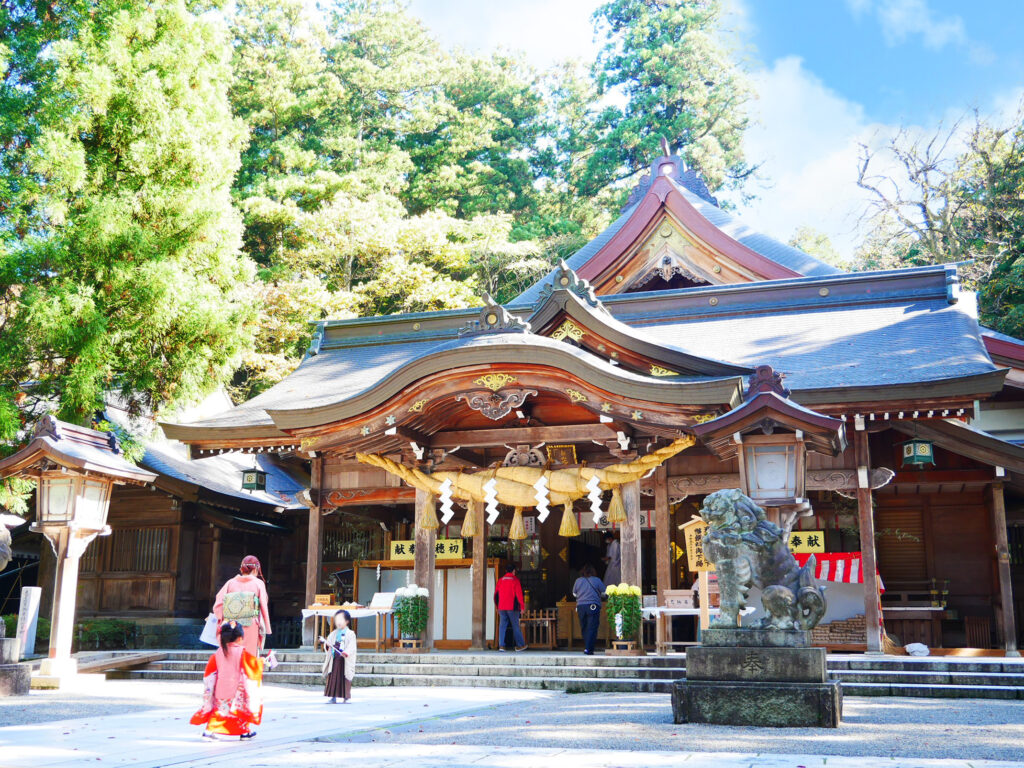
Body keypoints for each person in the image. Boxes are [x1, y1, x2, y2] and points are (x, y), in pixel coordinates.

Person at [190, 621, 263, 740]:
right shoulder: (242, 653)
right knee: (239, 711)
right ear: (240, 638)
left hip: (221, 688)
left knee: (219, 711)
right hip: (237, 689)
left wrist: (210, 687)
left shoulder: (218, 653)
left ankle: (209, 731)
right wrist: (261, 662)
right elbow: (252, 666)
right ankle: (243, 732)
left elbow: (210, 672)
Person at [213, 555, 271, 656]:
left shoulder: (230, 583)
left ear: (242, 568)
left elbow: (218, 604)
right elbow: (263, 604)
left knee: (232, 655)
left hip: (232, 625)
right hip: (251, 624)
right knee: (249, 657)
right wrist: (265, 626)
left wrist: (223, 619)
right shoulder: (258, 583)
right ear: (256, 568)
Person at [320, 609, 357, 703]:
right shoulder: (333, 633)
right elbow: (328, 643)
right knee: (333, 677)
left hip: (344, 659)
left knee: (345, 677)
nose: (339, 622)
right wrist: (327, 645)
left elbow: (352, 646)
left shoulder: (350, 634)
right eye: (337, 620)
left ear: (347, 621)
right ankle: (333, 697)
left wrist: (346, 652)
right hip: (335, 658)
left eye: (341, 620)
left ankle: (346, 697)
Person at [572, 564, 605, 655]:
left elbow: (574, 594)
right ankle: (589, 648)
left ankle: (587, 646)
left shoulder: (578, 581)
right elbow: (604, 593)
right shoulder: (597, 580)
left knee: (584, 627)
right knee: (592, 627)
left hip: (581, 606)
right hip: (593, 606)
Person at [493, 564, 527, 652]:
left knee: (502, 626)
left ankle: (501, 646)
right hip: (512, 607)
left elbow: (496, 595)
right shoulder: (515, 580)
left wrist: (497, 606)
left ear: (505, 571)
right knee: (515, 626)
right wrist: (522, 607)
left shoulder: (500, 581)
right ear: (513, 571)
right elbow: (519, 595)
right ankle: (520, 645)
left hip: (501, 607)